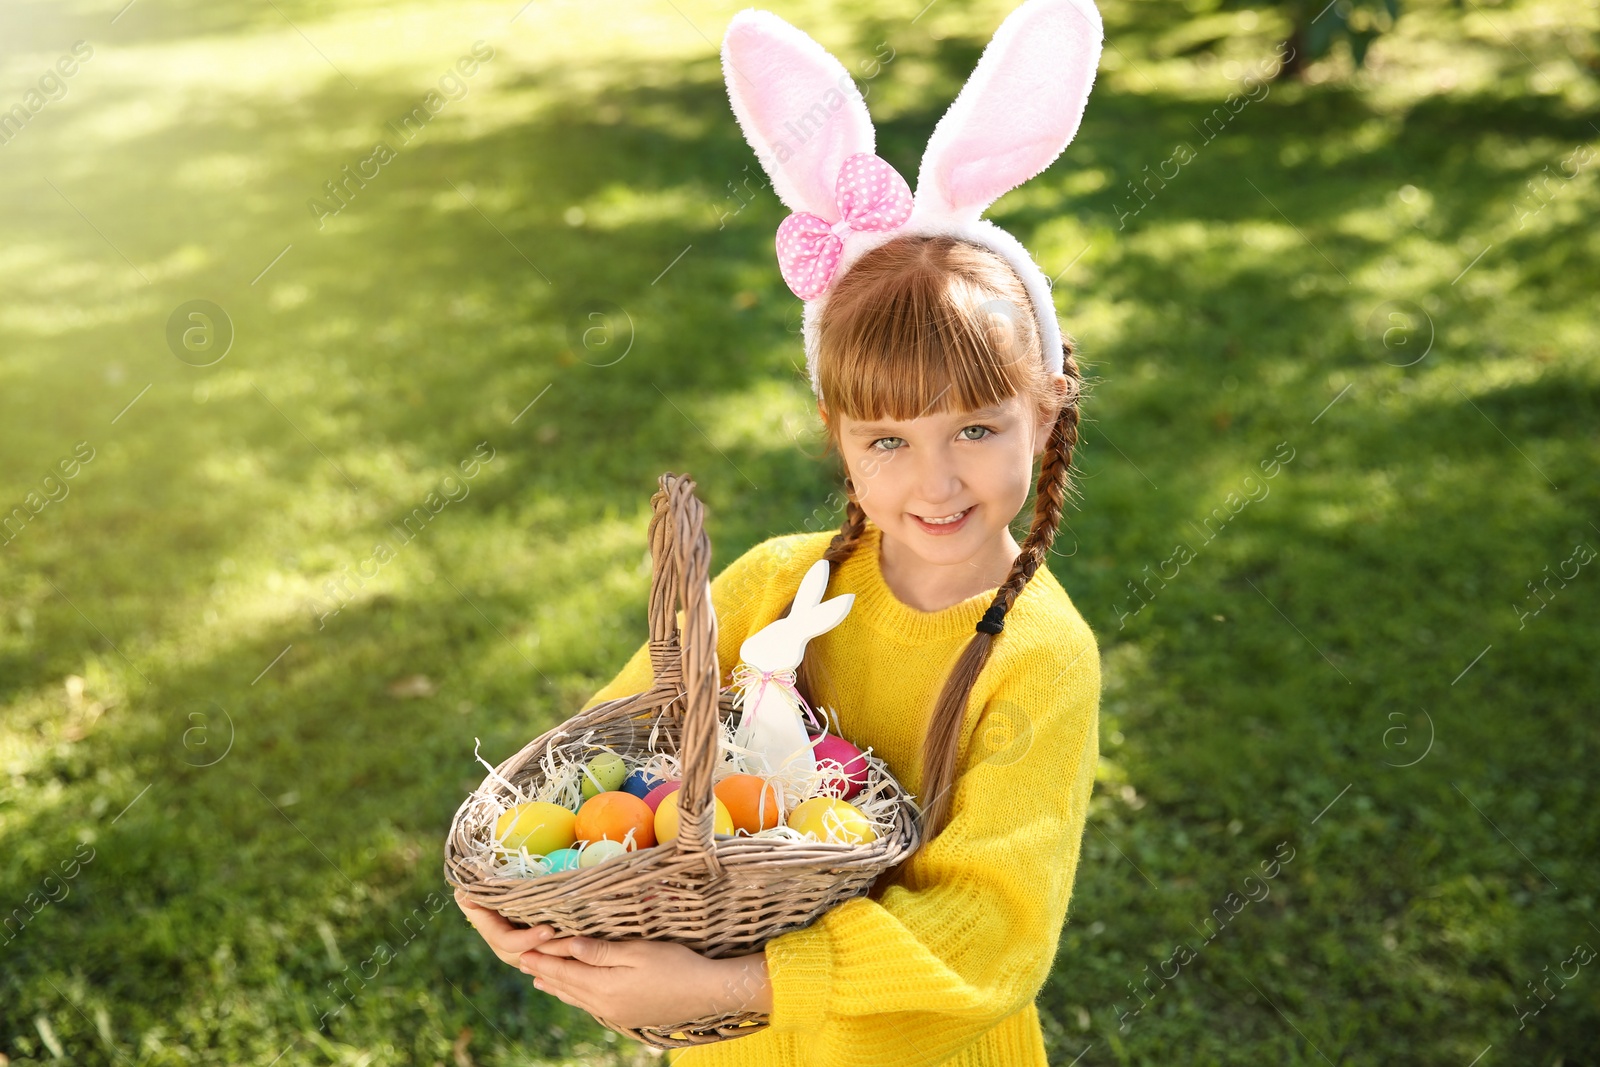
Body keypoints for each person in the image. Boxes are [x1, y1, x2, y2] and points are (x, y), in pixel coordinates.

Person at [457, 1, 1106, 1062]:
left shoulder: (1036, 658)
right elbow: (615, 748)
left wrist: (739, 978)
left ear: (1046, 404)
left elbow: (991, 932)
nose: (935, 480)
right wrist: (525, 886)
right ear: (836, 437)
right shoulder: (768, 588)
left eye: (977, 427)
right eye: (887, 439)